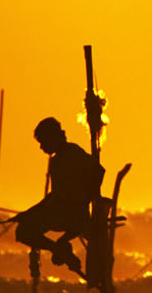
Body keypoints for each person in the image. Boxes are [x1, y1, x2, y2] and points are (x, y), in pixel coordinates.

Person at [14, 117, 103, 273]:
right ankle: (58, 248)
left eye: (43, 142)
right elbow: (53, 196)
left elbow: (99, 171)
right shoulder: (55, 163)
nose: (41, 147)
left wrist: (83, 197)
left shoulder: (73, 152)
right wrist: (29, 213)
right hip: (60, 215)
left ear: (53, 138)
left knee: (26, 230)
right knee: (23, 231)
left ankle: (60, 247)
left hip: (76, 216)